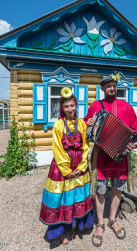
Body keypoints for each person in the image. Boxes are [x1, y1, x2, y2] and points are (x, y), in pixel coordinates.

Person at [84, 75, 137, 247]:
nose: (112, 89)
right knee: (100, 190)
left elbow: (135, 131)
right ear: (102, 89)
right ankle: (100, 224)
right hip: (100, 155)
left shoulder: (127, 107)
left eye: (114, 86)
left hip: (120, 156)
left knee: (117, 189)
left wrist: (134, 143)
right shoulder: (95, 106)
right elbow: (86, 124)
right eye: (109, 86)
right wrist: (89, 122)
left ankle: (112, 219)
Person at [39, 87, 94, 245]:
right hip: (64, 167)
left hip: (80, 167)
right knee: (63, 198)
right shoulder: (58, 125)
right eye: (66, 106)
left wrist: (83, 166)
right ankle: (63, 229)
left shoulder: (82, 124)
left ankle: (76, 225)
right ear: (62, 108)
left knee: (78, 196)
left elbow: (86, 146)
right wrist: (66, 169)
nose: (70, 109)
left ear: (76, 106)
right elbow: (57, 148)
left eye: (72, 105)